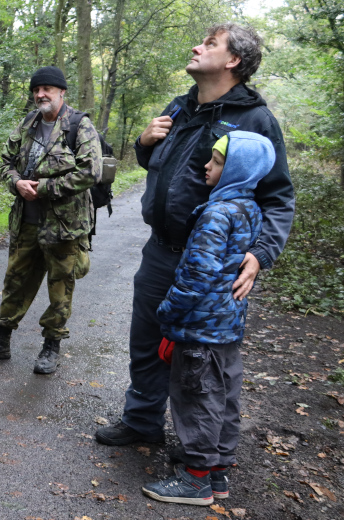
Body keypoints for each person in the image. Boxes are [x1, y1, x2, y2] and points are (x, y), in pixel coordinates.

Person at [96, 23, 295, 446]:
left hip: (211, 265)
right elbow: (163, 166)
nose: (196, 46)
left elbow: (277, 197)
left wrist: (261, 254)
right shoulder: (180, 107)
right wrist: (144, 143)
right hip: (160, 252)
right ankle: (141, 422)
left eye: (209, 44)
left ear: (233, 60)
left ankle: (201, 457)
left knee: (201, 361)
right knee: (146, 342)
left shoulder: (255, 118)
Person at [141, 131, 273, 505]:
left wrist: (168, 314)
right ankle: (217, 470)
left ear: (236, 170)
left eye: (216, 161)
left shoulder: (217, 214)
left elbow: (197, 274)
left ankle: (196, 479)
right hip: (226, 325)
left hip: (200, 326)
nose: (206, 165)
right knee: (223, 394)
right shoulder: (249, 209)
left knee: (196, 397)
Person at [0, 66, 101, 375]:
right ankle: (0, 342)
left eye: (48, 89)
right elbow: (6, 162)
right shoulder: (28, 123)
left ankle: (51, 346)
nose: (41, 94)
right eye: (37, 89)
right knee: (15, 283)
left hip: (64, 227)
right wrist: (16, 182)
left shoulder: (79, 126)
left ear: (61, 92)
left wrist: (43, 188)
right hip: (26, 222)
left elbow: (91, 172)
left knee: (60, 290)